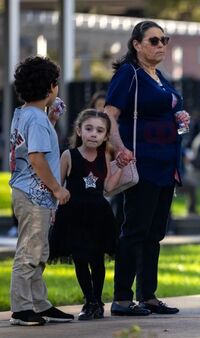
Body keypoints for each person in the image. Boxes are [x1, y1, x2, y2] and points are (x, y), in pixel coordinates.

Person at [104, 20, 189, 316]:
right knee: (135, 231)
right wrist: (121, 148)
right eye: (153, 40)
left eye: (164, 40)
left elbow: (166, 105)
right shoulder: (130, 74)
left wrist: (179, 115)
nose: (161, 45)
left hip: (166, 165)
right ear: (136, 44)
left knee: (155, 234)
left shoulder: (158, 75)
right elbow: (109, 115)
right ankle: (122, 298)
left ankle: (148, 295)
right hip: (142, 164)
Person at [8, 56, 74, 326]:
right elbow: (36, 159)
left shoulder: (25, 113)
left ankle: (39, 303)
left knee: (39, 249)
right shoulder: (36, 119)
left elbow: (35, 149)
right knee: (30, 251)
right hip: (35, 196)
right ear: (50, 87)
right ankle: (21, 308)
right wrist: (57, 189)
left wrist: (53, 118)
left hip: (29, 194)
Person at [49, 109, 123, 320]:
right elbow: (58, 184)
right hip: (73, 215)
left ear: (106, 136)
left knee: (97, 260)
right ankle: (88, 300)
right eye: (89, 129)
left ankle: (98, 302)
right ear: (79, 131)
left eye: (99, 131)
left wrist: (120, 168)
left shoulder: (105, 155)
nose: (93, 134)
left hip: (98, 216)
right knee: (80, 259)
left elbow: (107, 187)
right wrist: (54, 209)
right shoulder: (69, 155)